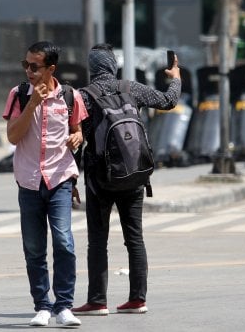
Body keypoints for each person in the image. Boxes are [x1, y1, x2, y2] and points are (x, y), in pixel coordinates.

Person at [72, 43, 181, 316]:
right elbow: (169, 101)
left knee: (98, 240)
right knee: (135, 238)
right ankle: (137, 299)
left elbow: (76, 140)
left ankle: (97, 301)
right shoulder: (132, 88)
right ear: (113, 65)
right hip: (135, 175)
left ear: (92, 68)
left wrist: (72, 179)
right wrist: (176, 79)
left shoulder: (83, 96)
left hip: (100, 179)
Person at [2, 41, 88, 327]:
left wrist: (78, 138)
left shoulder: (69, 95)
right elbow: (13, 137)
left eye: (35, 66)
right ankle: (42, 306)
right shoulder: (19, 95)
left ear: (51, 68)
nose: (29, 71)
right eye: (25, 65)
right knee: (34, 247)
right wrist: (34, 104)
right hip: (28, 180)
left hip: (60, 177)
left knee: (64, 241)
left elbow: (77, 130)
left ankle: (64, 306)